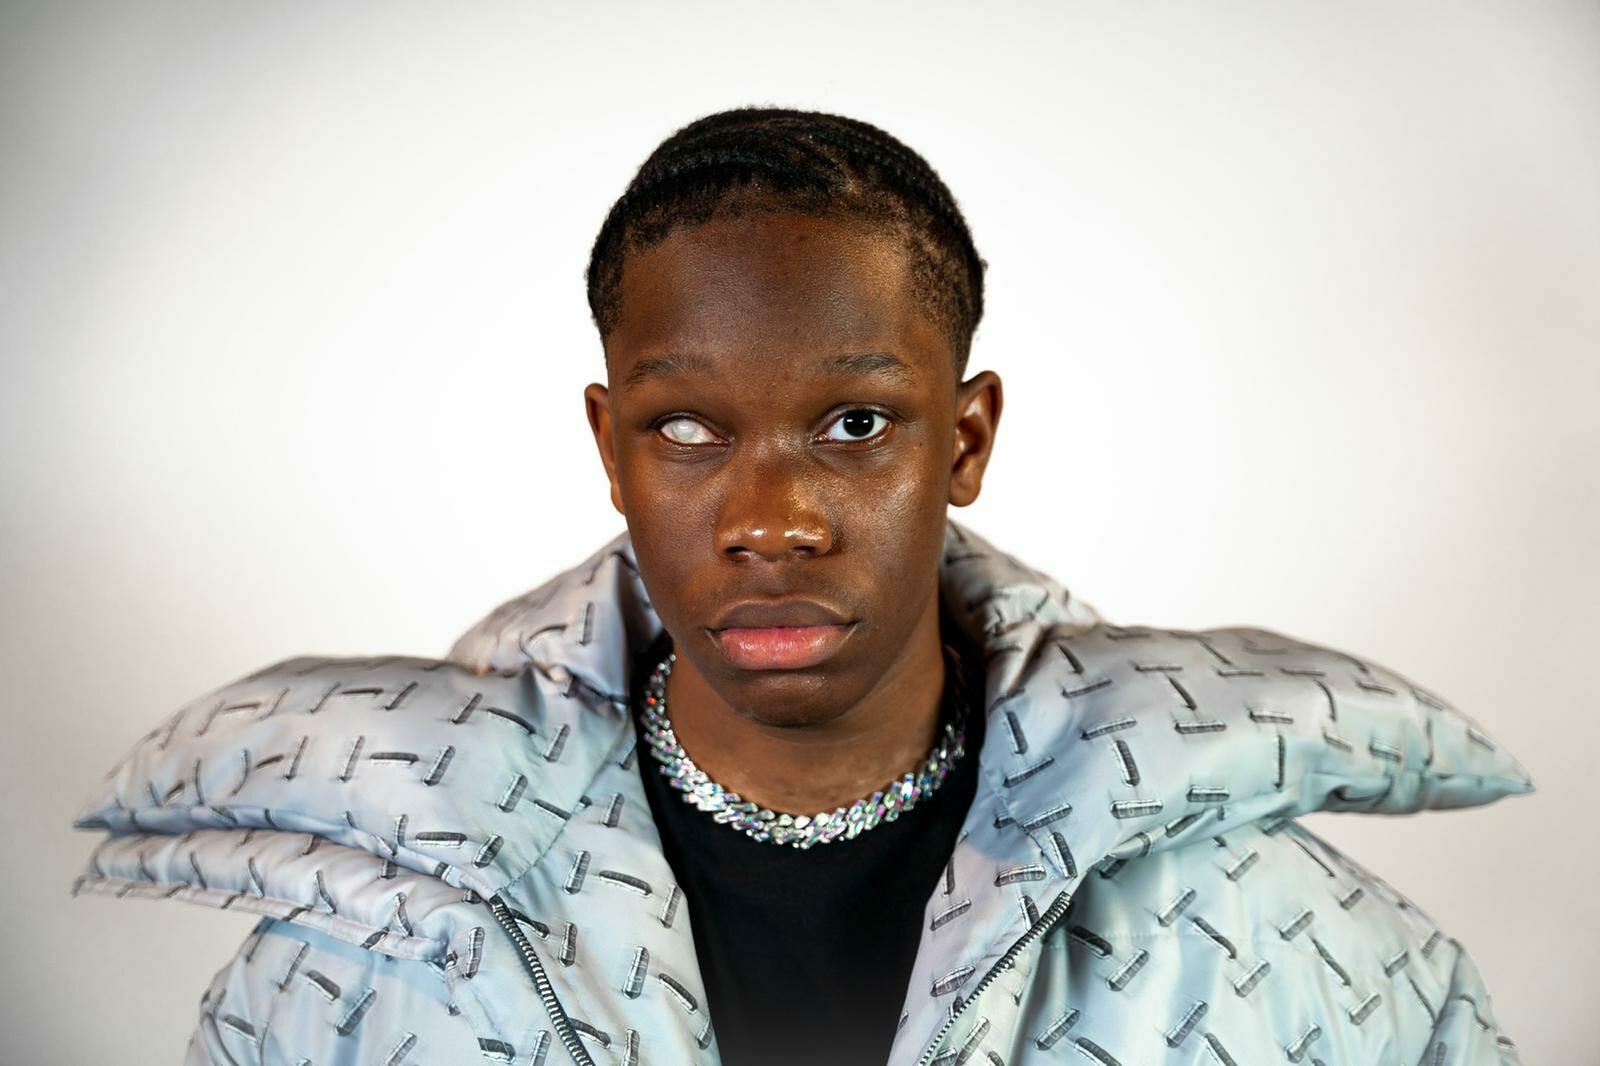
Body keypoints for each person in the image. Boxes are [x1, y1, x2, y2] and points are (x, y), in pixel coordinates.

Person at [72, 107, 1534, 1066]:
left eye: (854, 423)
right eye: (686, 430)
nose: (771, 522)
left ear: (966, 440)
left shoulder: (1290, 939)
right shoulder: (362, 958)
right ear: (610, 447)